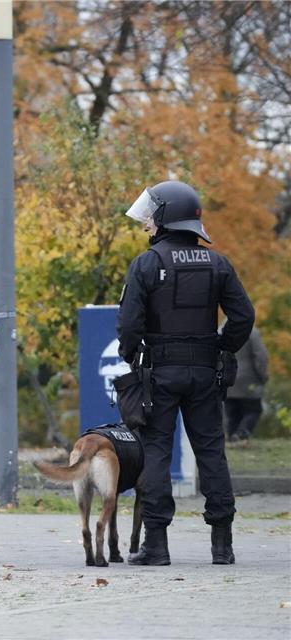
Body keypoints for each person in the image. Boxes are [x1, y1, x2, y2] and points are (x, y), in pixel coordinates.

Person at [117, 180, 254, 566]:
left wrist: (132, 356)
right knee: (211, 451)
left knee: (156, 450)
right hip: (205, 372)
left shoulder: (147, 263)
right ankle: (222, 546)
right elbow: (244, 316)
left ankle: (156, 546)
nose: (146, 222)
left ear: (166, 217)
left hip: (159, 373)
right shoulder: (218, 264)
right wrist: (221, 346)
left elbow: (129, 324)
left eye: (150, 215)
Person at [223, 325, 269, 441]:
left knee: (232, 413)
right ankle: (241, 434)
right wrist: (262, 375)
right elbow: (261, 356)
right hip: (248, 380)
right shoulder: (251, 331)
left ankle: (232, 437)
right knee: (254, 410)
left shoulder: (220, 329)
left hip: (226, 379)